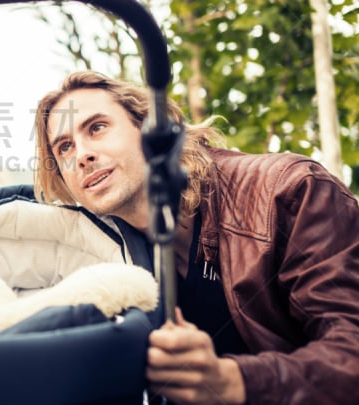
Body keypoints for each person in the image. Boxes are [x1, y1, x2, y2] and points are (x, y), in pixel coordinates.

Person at [33, 70, 359, 405]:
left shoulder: (290, 192)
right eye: (65, 147)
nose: (83, 154)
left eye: (97, 127)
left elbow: (351, 348)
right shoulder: (103, 258)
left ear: (150, 129)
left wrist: (235, 381)